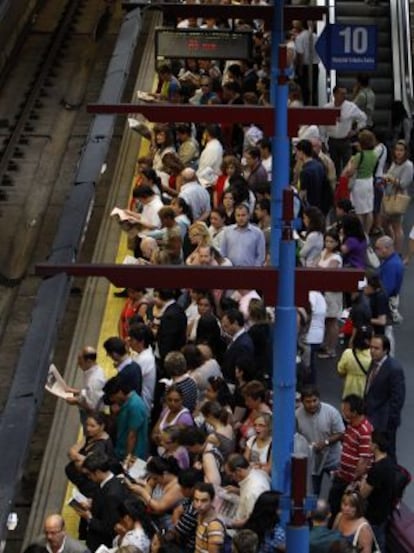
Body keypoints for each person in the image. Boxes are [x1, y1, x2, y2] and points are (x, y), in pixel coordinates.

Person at [327, 395, 373, 520]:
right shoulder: (351, 424)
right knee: (333, 505)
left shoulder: (365, 431)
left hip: (351, 481)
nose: (343, 412)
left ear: (355, 412)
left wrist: (353, 483)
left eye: (346, 409)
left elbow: (363, 460)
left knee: (346, 511)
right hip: (342, 475)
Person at [296, 386, 345, 495]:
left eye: (314, 401)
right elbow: (297, 436)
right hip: (312, 460)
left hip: (333, 459)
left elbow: (341, 433)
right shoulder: (297, 415)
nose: (312, 404)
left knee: (338, 490)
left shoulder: (331, 412)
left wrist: (325, 443)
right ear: (302, 402)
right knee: (312, 492)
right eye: (308, 402)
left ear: (319, 399)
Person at [363, 334, 405, 460]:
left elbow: (397, 399)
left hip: (384, 422)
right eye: (371, 347)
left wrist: (388, 423)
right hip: (371, 416)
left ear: (385, 350)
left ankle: (393, 478)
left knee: (387, 454)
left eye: (376, 348)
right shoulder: (374, 362)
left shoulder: (394, 369)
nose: (372, 351)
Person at [80, 453, 129, 552]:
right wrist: (92, 503)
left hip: (101, 543)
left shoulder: (112, 495)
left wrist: (89, 518)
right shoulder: (108, 482)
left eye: (89, 474)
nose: (88, 477)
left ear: (97, 472)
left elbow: (109, 528)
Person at [65, 412, 118, 497]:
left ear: (102, 426)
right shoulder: (91, 436)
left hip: (90, 486)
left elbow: (82, 465)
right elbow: (71, 452)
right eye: (87, 425)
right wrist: (80, 457)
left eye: (92, 426)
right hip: (83, 483)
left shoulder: (100, 446)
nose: (88, 428)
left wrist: (77, 457)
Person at [359, 430, 395, 552]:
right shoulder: (390, 462)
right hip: (383, 512)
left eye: (370, 441)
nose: (368, 444)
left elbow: (363, 493)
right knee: (380, 541)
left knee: (372, 544)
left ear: (375, 445)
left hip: (372, 515)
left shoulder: (377, 469)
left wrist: (364, 478)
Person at [126, 456, 183, 531]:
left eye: (156, 478)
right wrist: (147, 498)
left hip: (167, 524)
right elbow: (149, 485)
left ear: (165, 473)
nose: (154, 480)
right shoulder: (156, 478)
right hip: (152, 516)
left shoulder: (177, 487)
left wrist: (143, 493)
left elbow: (159, 507)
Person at [321, 86, 367, 176]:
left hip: (345, 140)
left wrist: (356, 130)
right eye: (341, 94)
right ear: (334, 94)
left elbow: (363, 118)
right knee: (333, 166)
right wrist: (322, 140)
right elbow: (322, 125)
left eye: (345, 94)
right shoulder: (327, 108)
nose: (344, 96)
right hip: (332, 140)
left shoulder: (351, 107)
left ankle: (347, 186)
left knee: (348, 166)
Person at [103, 376, 149, 462]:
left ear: (120, 392)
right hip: (121, 449)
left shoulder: (135, 406)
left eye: (113, 396)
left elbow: (132, 435)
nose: (112, 399)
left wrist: (127, 459)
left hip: (133, 455)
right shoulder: (126, 403)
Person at [341, 129, 378, 235]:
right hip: (369, 181)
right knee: (368, 208)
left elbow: (350, 172)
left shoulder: (359, 156)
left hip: (359, 183)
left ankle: (360, 232)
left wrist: (349, 165)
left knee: (359, 210)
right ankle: (367, 232)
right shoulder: (374, 154)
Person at [381, 139, 414, 253]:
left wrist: (390, 179)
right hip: (388, 195)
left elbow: (404, 183)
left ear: (406, 152)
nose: (398, 152)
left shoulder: (408, 165)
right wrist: (386, 179)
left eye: (401, 150)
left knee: (397, 226)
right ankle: (391, 242)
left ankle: (398, 252)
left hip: (399, 198)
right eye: (396, 150)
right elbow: (390, 174)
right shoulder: (395, 162)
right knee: (384, 222)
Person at [223, 454, 270, 529]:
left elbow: (251, 520)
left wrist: (230, 523)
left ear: (238, 471)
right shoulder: (257, 473)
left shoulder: (252, 491)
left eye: (231, 476)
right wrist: (238, 491)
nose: (231, 479)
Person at [65, 346, 106, 429]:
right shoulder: (94, 371)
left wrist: (77, 401)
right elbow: (89, 392)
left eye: (80, 360)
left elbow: (92, 406)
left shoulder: (95, 380)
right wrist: (76, 391)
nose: (78, 363)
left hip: (93, 419)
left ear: (89, 361)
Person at [317, 229, 343, 358]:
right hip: (322, 291)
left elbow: (328, 272)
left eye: (331, 241)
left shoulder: (336, 257)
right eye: (326, 241)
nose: (328, 244)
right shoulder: (323, 252)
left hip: (332, 293)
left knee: (332, 320)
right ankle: (325, 344)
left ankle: (331, 348)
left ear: (337, 243)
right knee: (326, 320)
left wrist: (318, 268)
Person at [151, 385, 194, 451]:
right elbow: (154, 432)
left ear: (182, 400)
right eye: (169, 400)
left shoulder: (185, 418)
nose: (172, 403)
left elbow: (177, 444)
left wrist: (160, 438)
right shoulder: (166, 410)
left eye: (176, 400)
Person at [153, 289, 187, 368]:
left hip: (167, 360)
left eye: (156, 296)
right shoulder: (177, 308)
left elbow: (167, 341)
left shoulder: (170, 316)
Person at [337, 325, 372, 398]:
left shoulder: (348, 353)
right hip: (367, 388)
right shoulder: (373, 355)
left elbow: (341, 370)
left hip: (350, 389)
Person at [221, 308, 255, 383]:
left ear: (235, 323)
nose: (224, 329)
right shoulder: (237, 339)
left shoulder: (243, 344)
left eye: (226, 326)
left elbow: (242, 371)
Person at [128, 324, 156, 412]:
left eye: (132, 340)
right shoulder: (144, 353)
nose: (129, 342)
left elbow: (129, 379)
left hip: (141, 406)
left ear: (141, 342)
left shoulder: (144, 359)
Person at [193, 483, 225, 553]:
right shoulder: (200, 515)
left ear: (212, 500)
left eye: (204, 500)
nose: (199, 505)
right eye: (196, 500)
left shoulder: (214, 526)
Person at [295, 140, 327, 211]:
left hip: (310, 208)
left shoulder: (305, 171)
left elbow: (302, 194)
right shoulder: (319, 165)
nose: (296, 154)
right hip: (321, 206)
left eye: (297, 151)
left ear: (302, 152)